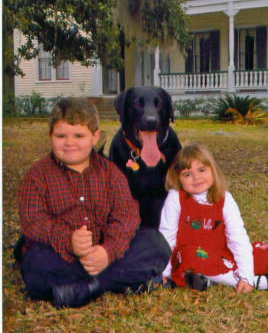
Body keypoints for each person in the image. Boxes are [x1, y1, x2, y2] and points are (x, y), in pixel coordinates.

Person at [15, 97, 171, 308]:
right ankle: (120, 282)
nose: (69, 143)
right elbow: (33, 220)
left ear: (95, 137)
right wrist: (68, 240)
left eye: (79, 135)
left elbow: (126, 214)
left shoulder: (110, 172)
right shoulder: (37, 176)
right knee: (35, 261)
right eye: (61, 136)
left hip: (106, 254)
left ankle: (91, 287)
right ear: (51, 136)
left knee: (155, 244)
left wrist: (107, 252)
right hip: (63, 256)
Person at [159, 142, 268, 293]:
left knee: (264, 254)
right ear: (178, 177)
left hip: (222, 256)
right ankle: (262, 282)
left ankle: (212, 280)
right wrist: (163, 273)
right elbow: (167, 237)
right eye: (187, 174)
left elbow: (237, 236)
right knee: (190, 258)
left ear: (213, 170)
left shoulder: (225, 198)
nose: (196, 177)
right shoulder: (175, 198)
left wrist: (246, 274)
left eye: (201, 170)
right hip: (193, 255)